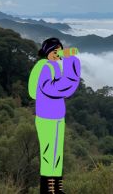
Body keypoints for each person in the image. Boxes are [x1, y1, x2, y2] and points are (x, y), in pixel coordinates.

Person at [31, 37, 81, 193]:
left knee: (56, 154)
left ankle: (56, 188)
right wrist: (70, 61)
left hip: (57, 116)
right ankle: (48, 190)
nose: (58, 53)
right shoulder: (45, 67)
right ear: (47, 52)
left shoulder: (54, 67)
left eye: (59, 50)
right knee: (48, 153)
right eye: (55, 51)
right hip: (47, 117)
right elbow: (56, 89)